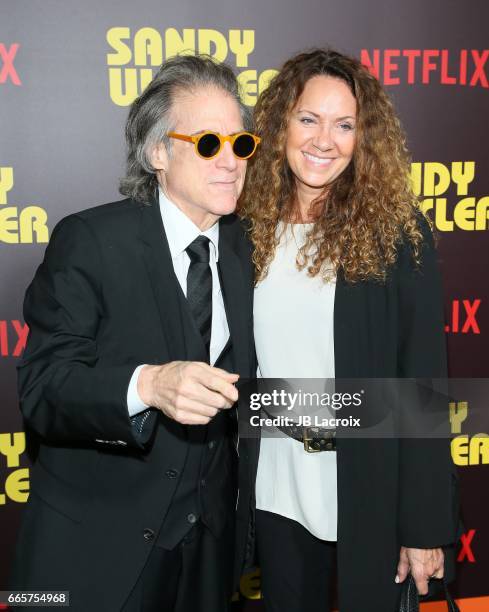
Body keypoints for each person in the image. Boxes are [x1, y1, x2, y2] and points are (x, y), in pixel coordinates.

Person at [11, 54, 258, 612]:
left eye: (241, 145)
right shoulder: (91, 241)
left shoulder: (248, 251)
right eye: (207, 143)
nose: (231, 163)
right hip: (95, 553)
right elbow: (44, 389)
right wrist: (147, 385)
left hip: (209, 562)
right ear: (157, 153)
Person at [235, 48, 459, 612]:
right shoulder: (243, 227)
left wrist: (425, 525)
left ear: (364, 138)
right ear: (280, 122)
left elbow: (423, 387)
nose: (323, 140)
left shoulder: (396, 234)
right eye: (308, 118)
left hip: (369, 484)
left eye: (344, 125)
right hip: (274, 487)